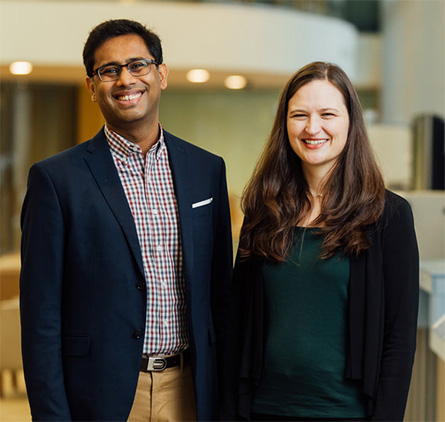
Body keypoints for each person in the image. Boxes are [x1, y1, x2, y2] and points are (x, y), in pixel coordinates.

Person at [20, 19, 233, 422]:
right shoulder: (55, 179)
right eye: (109, 70)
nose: (125, 79)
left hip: (191, 388)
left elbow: (220, 295)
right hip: (101, 393)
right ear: (91, 86)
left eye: (138, 65)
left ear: (161, 75)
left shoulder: (206, 169)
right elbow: (40, 317)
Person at [221, 61, 419, 422]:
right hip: (264, 410)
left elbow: (399, 339)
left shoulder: (388, 215)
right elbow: (237, 322)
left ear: (350, 122)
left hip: (346, 413)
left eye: (327, 113)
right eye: (299, 115)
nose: (313, 128)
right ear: (285, 124)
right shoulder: (263, 210)